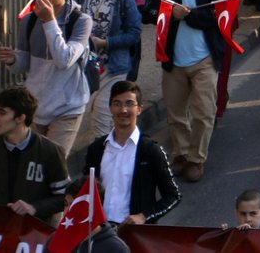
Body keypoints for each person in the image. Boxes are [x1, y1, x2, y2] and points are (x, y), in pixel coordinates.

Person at [144, 0, 228, 181]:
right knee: (176, 113)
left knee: (203, 113)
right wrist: (170, 12)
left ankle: (196, 159)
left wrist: (188, 15)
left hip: (205, 59)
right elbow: (148, 11)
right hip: (174, 60)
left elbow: (219, 16)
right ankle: (180, 154)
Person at [0, 0, 91, 157]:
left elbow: (64, 60)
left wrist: (50, 21)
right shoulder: (30, 21)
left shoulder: (81, 21)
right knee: (32, 165)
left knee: (53, 165)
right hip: (35, 108)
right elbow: (24, 64)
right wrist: (12, 59)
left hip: (67, 108)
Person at [78, 81, 182, 224]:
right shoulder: (96, 149)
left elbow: (173, 196)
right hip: (100, 230)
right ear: (110, 108)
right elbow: (85, 191)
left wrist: (144, 217)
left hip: (133, 231)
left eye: (129, 104)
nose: (123, 110)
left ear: (139, 109)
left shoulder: (151, 150)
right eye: (117, 104)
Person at [71, 0, 142, 142]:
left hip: (113, 68)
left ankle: (103, 159)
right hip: (86, 68)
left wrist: (106, 42)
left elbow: (134, 33)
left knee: (102, 120)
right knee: (85, 116)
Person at [0, 86, 70, 215]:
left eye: (2, 112)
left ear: (20, 118)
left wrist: (34, 208)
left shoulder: (51, 151)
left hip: (33, 226)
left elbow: (65, 198)